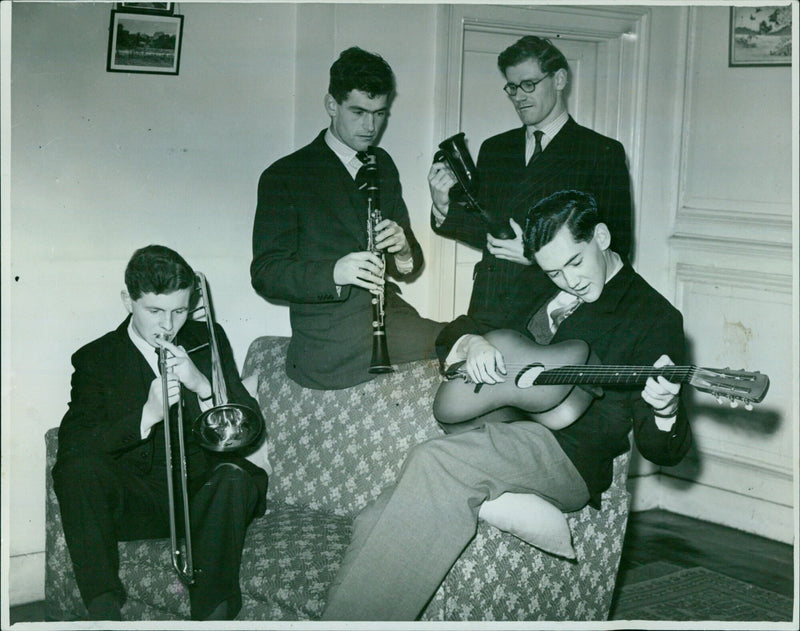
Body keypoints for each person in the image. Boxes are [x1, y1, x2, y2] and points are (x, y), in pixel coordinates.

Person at [321, 190, 692, 620]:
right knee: (376, 514)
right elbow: (462, 326)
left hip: (568, 453)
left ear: (602, 237)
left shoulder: (653, 316)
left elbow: (663, 449)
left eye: (575, 262)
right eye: (554, 272)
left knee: (435, 461)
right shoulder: (537, 282)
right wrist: (471, 342)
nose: (569, 281)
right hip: (502, 429)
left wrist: (666, 411)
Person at [52, 245, 268, 621]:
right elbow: (74, 444)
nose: (168, 326)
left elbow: (249, 425)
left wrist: (203, 386)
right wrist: (146, 415)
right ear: (128, 301)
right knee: (75, 470)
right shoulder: (96, 358)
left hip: (203, 499)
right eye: (155, 311)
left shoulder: (207, 337)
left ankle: (212, 616)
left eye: (179, 311)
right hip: (136, 505)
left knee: (236, 477)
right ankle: (104, 612)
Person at [251, 46, 443, 390]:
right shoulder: (285, 175)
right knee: (461, 340)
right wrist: (334, 273)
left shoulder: (382, 164)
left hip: (386, 317)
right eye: (358, 112)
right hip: (328, 337)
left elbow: (410, 266)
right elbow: (265, 273)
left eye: (380, 113)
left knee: (472, 338)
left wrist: (402, 250)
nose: (371, 126)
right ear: (331, 105)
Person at [428, 35, 632, 332]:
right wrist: (443, 206)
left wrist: (535, 254)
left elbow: (617, 246)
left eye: (529, 85)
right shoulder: (495, 148)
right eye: (512, 87)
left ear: (559, 79)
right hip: (489, 306)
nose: (519, 97)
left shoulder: (600, 152)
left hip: (553, 311)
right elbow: (489, 232)